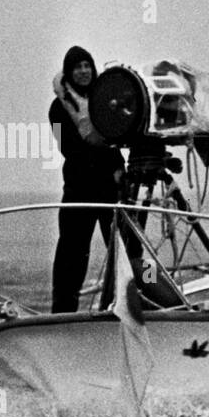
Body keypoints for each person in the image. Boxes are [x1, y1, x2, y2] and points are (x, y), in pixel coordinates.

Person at [49, 46, 126, 313]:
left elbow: (118, 141)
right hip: (78, 190)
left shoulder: (106, 101)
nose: (83, 72)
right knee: (71, 255)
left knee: (131, 250)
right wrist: (103, 153)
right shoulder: (56, 110)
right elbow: (67, 148)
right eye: (77, 67)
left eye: (87, 66)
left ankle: (144, 293)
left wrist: (116, 165)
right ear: (69, 73)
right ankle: (62, 310)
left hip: (109, 189)